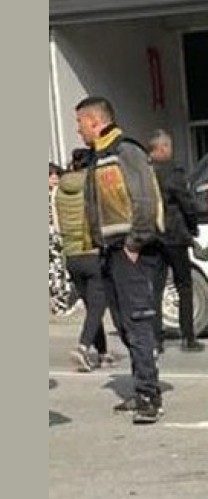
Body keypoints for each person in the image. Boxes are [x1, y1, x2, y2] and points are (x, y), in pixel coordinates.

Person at [76, 95, 166, 424]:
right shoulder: (99, 155)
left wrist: (135, 242)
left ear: (96, 121)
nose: (79, 130)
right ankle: (141, 387)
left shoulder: (126, 150)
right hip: (109, 252)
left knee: (138, 323)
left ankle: (148, 395)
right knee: (124, 325)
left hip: (131, 251)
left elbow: (144, 198)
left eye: (81, 123)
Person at [56, 148, 114, 372]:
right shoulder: (92, 186)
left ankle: (102, 353)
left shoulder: (60, 190)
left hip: (71, 254)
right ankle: (82, 348)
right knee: (98, 304)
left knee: (92, 306)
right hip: (91, 251)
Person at [147, 130, 204, 353]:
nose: (171, 151)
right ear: (161, 148)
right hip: (175, 236)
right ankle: (188, 338)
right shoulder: (172, 172)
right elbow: (186, 202)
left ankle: (156, 339)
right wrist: (193, 227)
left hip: (153, 236)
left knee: (156, 288)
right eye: (168, 147)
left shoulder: (145, 171)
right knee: (184, 286)